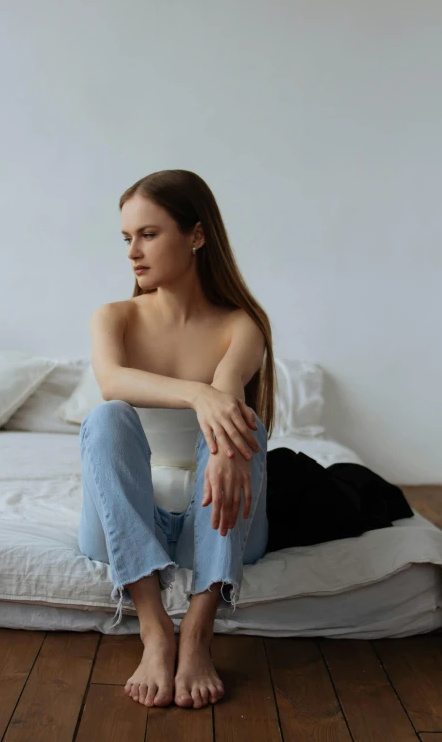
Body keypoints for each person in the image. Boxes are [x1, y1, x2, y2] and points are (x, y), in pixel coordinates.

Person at [78, 169, 278, 710]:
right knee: (107, 418)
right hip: (122, 523)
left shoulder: (241, 325)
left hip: (211, 523)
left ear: (196, 235)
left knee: (244, 428)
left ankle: (197, 630)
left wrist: (221, 408)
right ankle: (153, 628)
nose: (132, 253)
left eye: (148, 234)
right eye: (127, 238)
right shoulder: (114, 316)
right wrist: (198, 394)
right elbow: (112, 381)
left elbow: (230, 394)